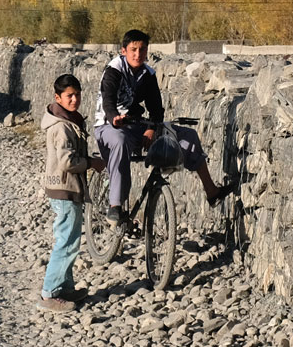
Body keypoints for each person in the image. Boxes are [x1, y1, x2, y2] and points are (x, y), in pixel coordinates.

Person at [93, 29, 232, 236]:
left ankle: (211, 191)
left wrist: (151, 128)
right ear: (123, 51)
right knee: (120, 140)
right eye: (133, 50)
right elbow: (108, 101)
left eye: (142, 49)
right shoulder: (114, 71)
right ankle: (115, 206)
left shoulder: (147, 75)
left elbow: (156, 109)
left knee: (188, 136)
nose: (137, 54)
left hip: (137, 125)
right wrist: (115, 117)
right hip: (109, 125)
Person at [38, 73, 102, 310]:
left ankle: (65, 288)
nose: (74, 100)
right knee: (67, 242)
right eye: (69, 96)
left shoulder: (70, 121)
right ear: (58, 97)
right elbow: (67, 162)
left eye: (77, 95)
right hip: (65, 188)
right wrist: (91, 163)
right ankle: (49, 294)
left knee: (69, 239)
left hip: (65, 188)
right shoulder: (62, 128)